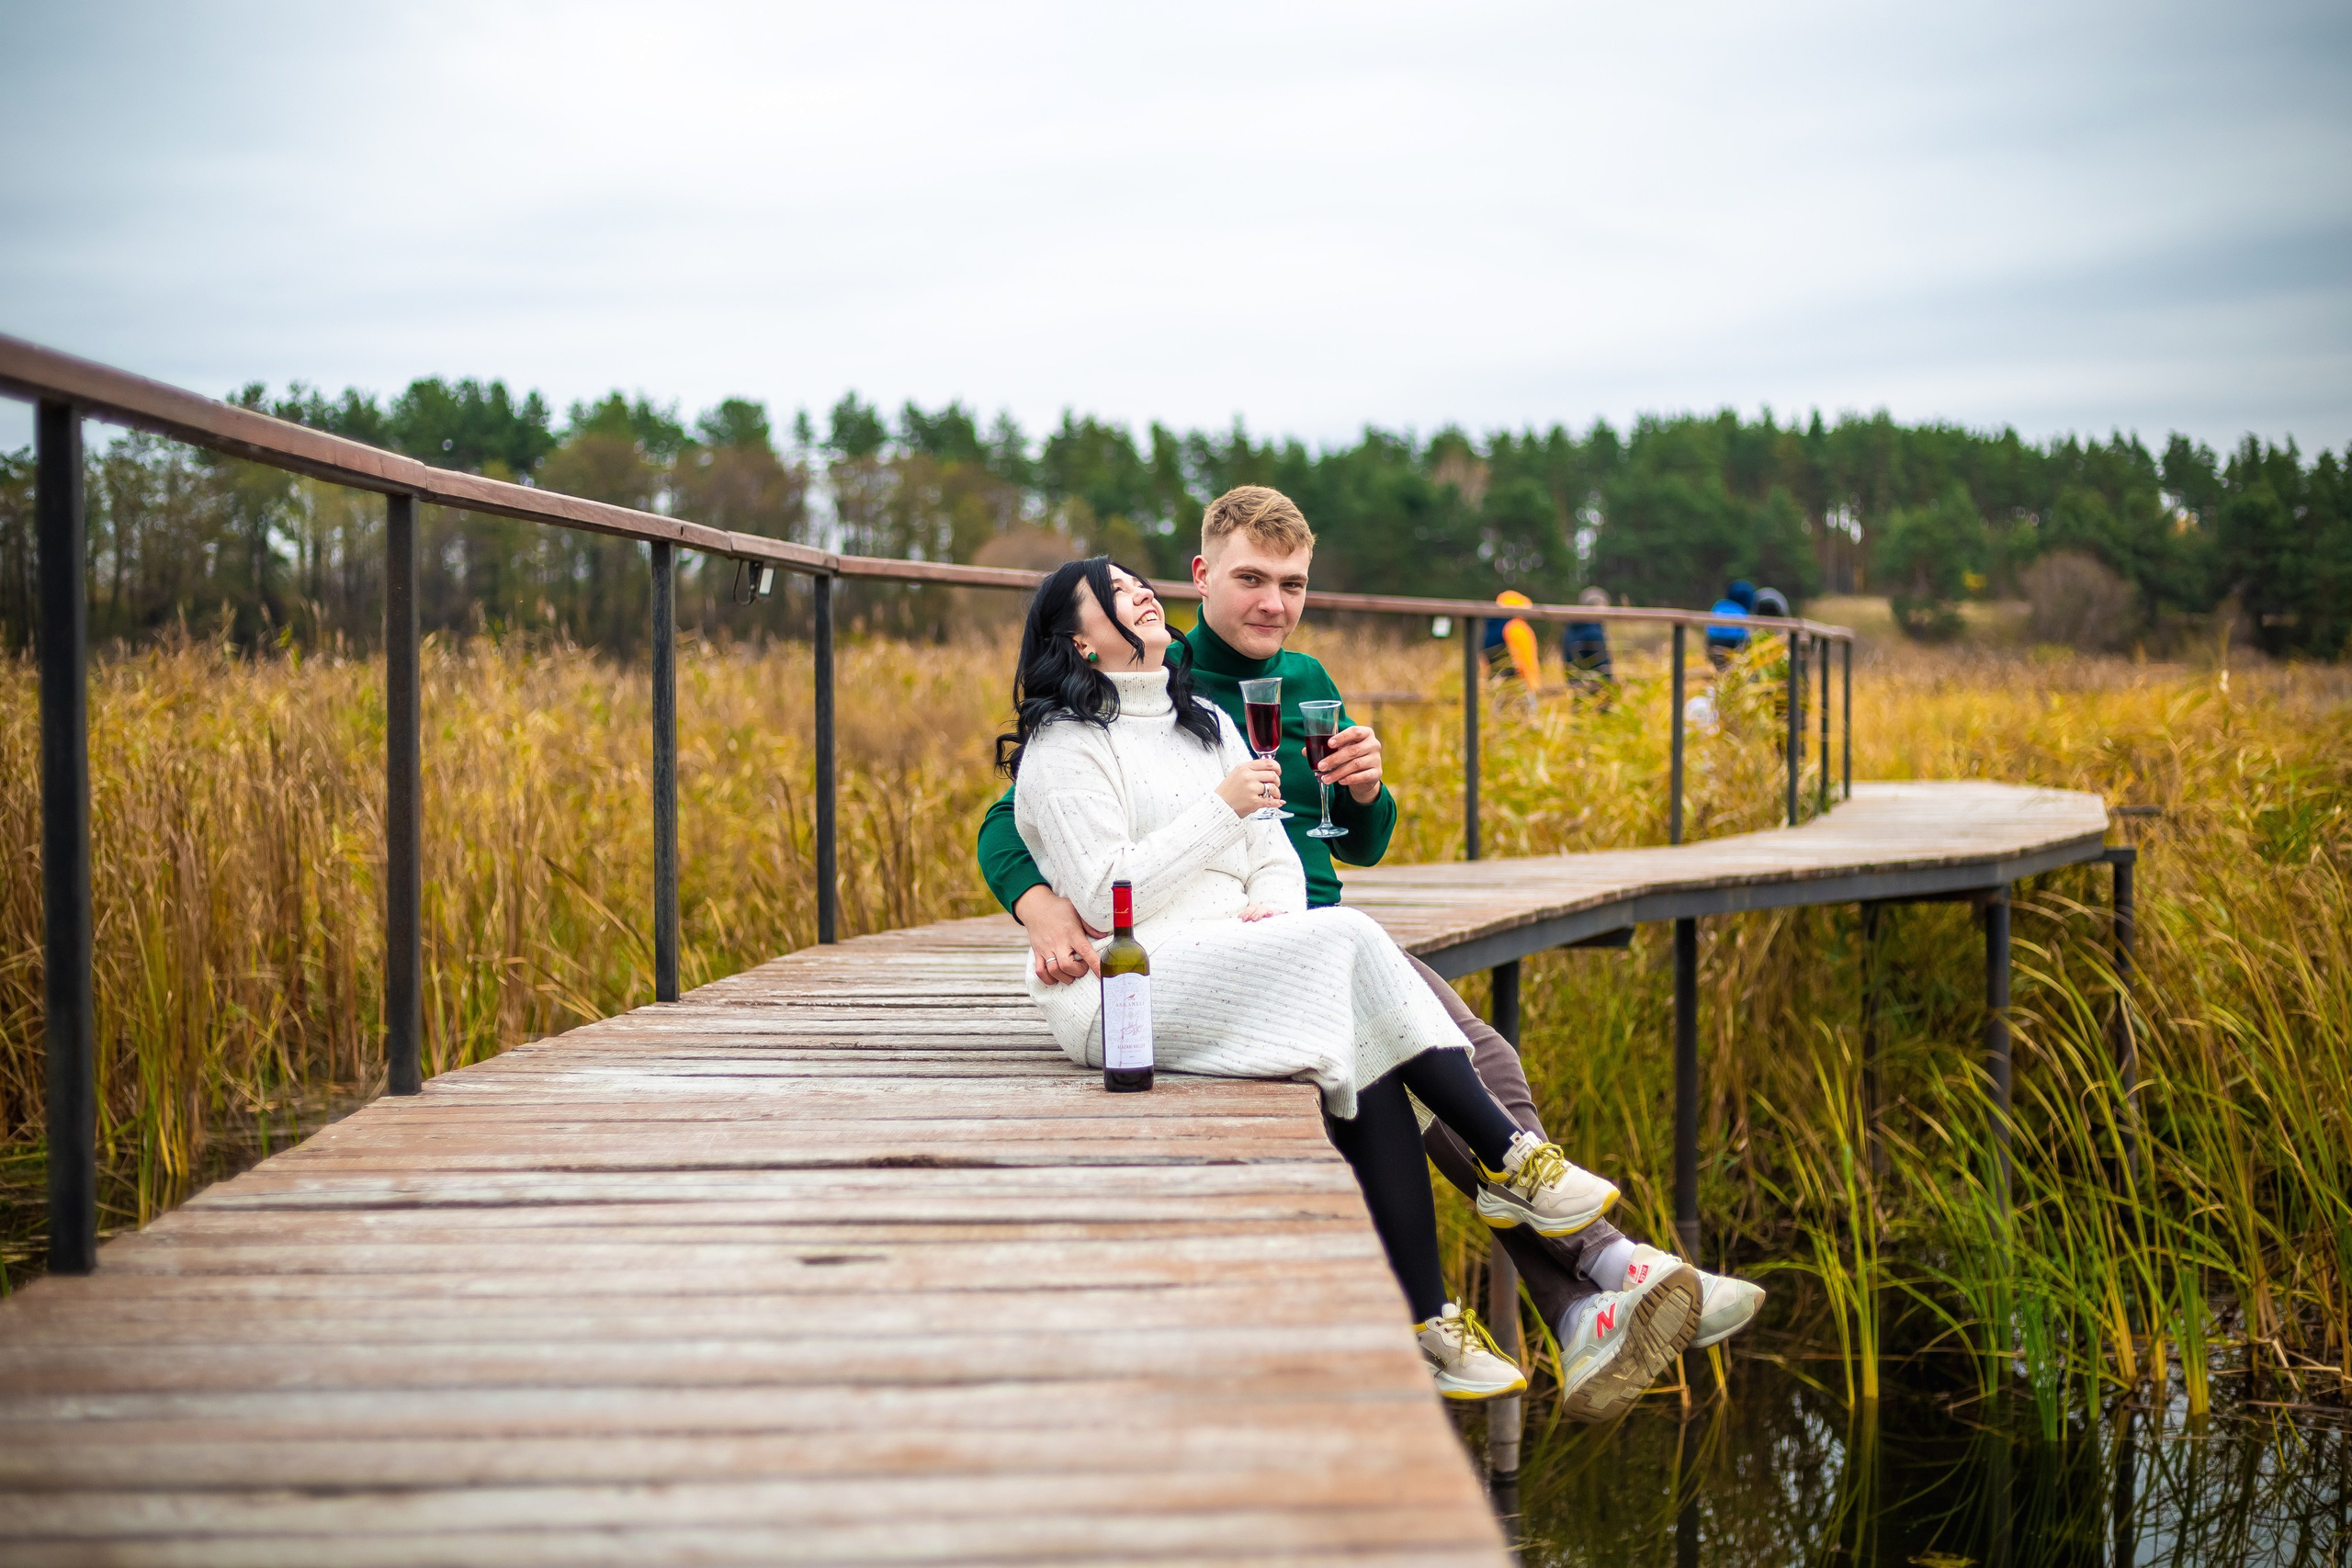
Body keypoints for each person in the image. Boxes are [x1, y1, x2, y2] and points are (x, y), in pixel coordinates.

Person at [978, 487, 1764, 1419]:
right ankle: (1601, 1270)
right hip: (1229, 950)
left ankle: (1585, 1290)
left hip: (1299, 924)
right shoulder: (1141, 690)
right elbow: (1017, 818)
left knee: (1471, 1058)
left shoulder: (1298, 682)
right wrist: (1036, 904)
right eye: (1251, 580)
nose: (1273, 602)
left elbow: (1353, 840)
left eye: (1293, 584)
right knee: (1448, 1064)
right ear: (1200, 578)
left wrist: (1363, 791)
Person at [1563, 586, 1614, 688]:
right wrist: (1608, 683)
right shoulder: (1594, 631)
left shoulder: (1571, 628)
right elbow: (1603, 664)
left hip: (1575, 683)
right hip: (1596, 685)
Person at [1705, 579, 1757, 670]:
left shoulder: (1719, 605)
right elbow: (1746, 634)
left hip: (1713, 643)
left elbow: (1708, 628)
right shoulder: (1742, 610)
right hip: (1734, 645)